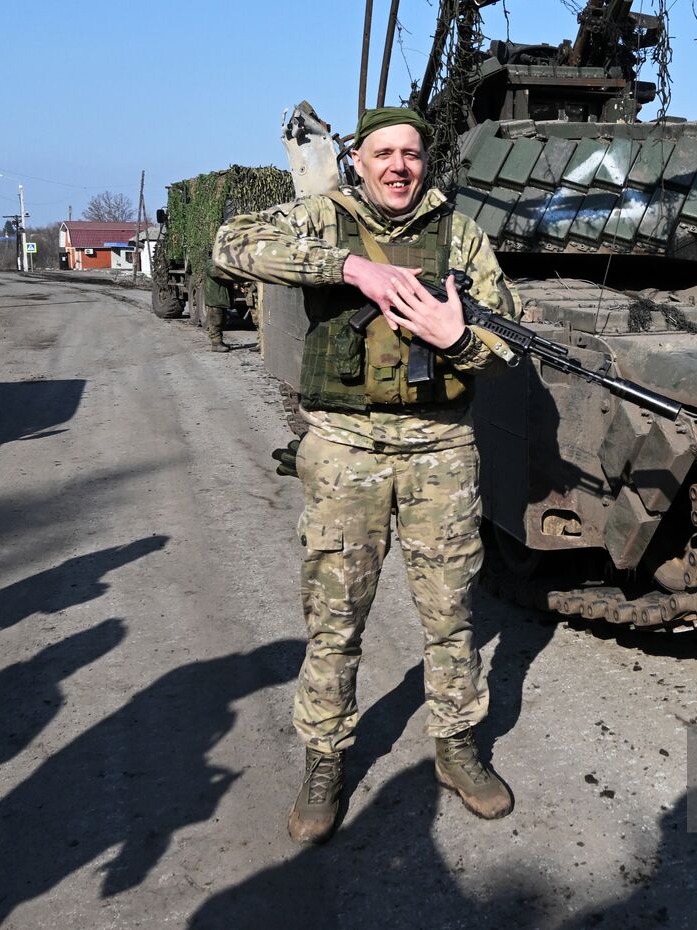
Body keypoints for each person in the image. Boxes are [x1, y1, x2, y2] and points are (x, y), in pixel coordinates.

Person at [213, 106, 521, 844]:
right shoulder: (325, 216)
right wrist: (349, 267)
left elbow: (506, 330)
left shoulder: (461, 232)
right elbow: (230, 243)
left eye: (411, 154)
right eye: (383, 153)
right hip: (345, 448)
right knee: (335, 618)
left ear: (425, 160)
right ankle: (326, 758)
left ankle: (456, 745)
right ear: (358, 159)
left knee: (451, 617)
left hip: (440, 448)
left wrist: (460, 340)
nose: (398, 167)